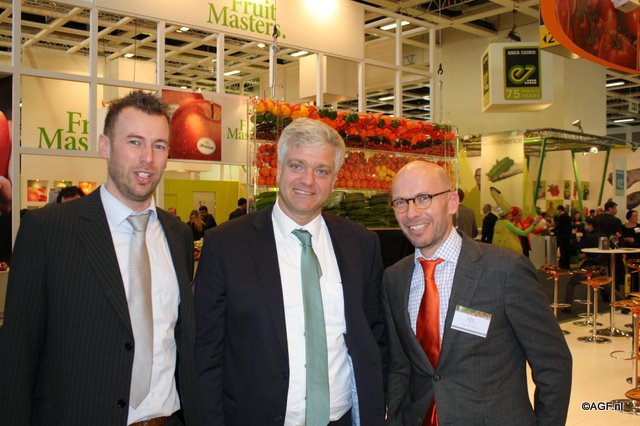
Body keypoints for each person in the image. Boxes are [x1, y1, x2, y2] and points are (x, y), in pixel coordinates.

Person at [0, 91, 201, 425]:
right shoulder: (48, 231)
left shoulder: (177, 235)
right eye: (134, 142)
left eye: (159, 146)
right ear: (105, 146)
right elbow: (17, 354)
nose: (148, 158)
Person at [194, 117, 385, 425]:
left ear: (334, 179)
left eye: (321, 170)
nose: (308, 180)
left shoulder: (361, 244)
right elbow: (205, 351)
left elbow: (375, 337)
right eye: (297, 165)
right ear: (279, 168)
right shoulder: (226, 245)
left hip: (342, 418)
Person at [383, 160, 572, 425]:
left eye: (423, 198)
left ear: (451, 203)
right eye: (401, 202)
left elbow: (553, 363)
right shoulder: (394, 279)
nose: (411, 213)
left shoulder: (505, 270)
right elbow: (399, 366)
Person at [563, 218, 608, 309]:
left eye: (586, 224)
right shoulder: (603, 235)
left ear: (590, 225)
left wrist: (573, 235)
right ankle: (622, 302)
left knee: (571, 283)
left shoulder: (589, 237)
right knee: (606, 285)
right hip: (601, 264)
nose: (584, 226)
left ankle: (567, 306)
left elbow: (577, 246)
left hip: (590, 266)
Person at [555, 205, 573, 270]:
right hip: (568, 237)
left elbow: (558, 227)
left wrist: (553, 230)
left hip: (561, 237)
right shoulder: (568, 217)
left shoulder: (560, 217)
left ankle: (563, 265)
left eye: (558, 210)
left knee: (562, 251)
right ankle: (567, 265)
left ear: (560, 210)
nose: (557, 212)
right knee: (567, 251)